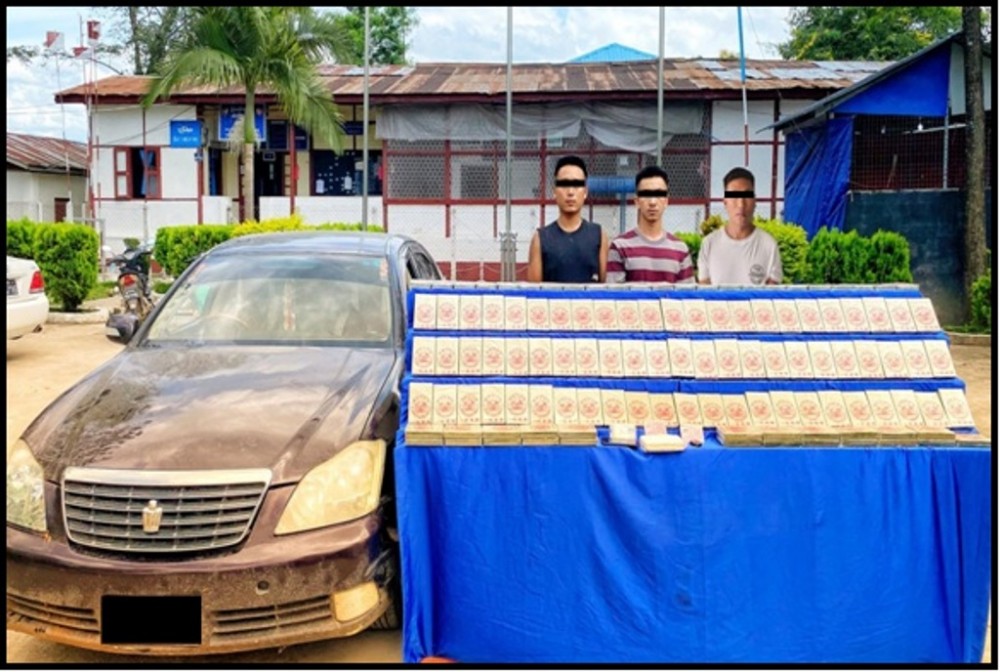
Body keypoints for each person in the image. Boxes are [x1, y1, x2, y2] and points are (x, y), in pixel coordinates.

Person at [606, 165, 694, 284]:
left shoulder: (680, 250)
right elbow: (614, 294)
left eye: (659, 194)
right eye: (646, 194)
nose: (652, 202)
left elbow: (687, 294)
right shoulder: (620, 247)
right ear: (637, 201)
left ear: (666, 201)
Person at [527, 155, 608, 283]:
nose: (570, 192)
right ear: (554, 191)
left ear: (585, 192)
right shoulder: (540, 239)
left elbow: (606, 288)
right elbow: (534, 291)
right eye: (564, 185)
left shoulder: (599, 236)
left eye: (576, 185)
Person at [698, 167, 782, 285]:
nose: (741, 204)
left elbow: (771, 293)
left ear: (754, 201)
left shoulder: (769, 245)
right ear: (725, 202)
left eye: (747, 196)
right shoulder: (709, 244)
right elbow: (704, 293)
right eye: (734, 196)